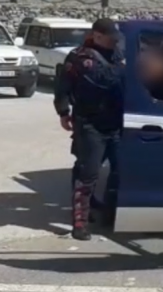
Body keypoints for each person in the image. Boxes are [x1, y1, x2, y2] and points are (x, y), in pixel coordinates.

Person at [53, 18, 124, 241]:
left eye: (116, 38)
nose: (115, 42)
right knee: (88, 172)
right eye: (111, 38)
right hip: (90, 123)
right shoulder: (79, 58)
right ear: (97, 35)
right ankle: (80, 223)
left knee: (119, 170)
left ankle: (108, 212)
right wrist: (63, 112)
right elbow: (63, 87)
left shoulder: (119, 55)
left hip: (116, 123)